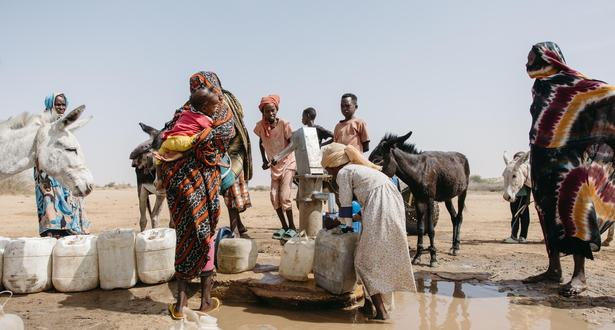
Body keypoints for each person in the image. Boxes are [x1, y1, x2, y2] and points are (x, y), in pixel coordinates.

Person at [523, 42, 615, 297]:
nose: (527, 64)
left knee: (575, 217)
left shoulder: (574, 84)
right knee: (547, 215)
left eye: (531, 59)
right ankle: (554, 270)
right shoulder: (539, 87)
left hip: (569, 165)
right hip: (541, 161)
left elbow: (608, 93)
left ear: (549, 59)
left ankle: (580, 276)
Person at [161, 71, 235, 319]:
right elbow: (225, 136)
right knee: (206, 235)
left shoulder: (181, 113)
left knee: (185, 237)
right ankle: (204, 301)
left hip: (180, 185)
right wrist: (201, 140)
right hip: (204, 182)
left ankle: (180, 307)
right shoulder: (222, 111)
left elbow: (166, 136)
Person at [321, 143, 415, 320]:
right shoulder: (360, 169)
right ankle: (371, 305)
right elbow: (366, 207)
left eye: (328, 170)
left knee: (364, 261)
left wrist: (340, 223)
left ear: (333, 165)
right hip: (392, 204)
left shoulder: (344, 172)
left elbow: (346, 206)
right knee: (380, 258)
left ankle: (382, 313)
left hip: (380, 207)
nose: (329, 174)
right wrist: (348, 220)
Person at [35, 93, 90, 238]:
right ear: (50, 105)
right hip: (47, 170)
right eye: (57, 104)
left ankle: (71, 229)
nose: (61, 107)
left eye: (63, 104)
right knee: (50, 200)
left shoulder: (65, 124)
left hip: (64, 169)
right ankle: (53, 231)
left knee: (71, 198)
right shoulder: (42, 124)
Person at [254, 95, 297, 240]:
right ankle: (284, 227)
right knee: (273, 197)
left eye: (272, 110)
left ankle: (292, 228)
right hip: (274, 165)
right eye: (267, 111)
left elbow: (293, 144)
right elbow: (261, 143)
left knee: (285, 196)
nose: (270, 113)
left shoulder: (284, 124)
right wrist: (264, 160)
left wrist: (278, 156)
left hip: (288, 162)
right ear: (263, 113)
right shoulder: (261, 127)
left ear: (276, 110)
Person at [221, 88, 253, 238]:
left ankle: (234, 231)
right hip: (226, 156)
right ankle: (240, 227)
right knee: (230, 195)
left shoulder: (228, 117)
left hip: (234, 156)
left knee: (230, 191)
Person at [503, 152, 531, 244]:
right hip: (515, 197)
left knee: (519, 217)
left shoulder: (522, 171)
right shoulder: (514, 170)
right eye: (516, 157)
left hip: (521, 197)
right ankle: (520, 237)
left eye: (518, 157)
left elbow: (528, 186)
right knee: (517, 217)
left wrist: (527, 199)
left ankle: (517, 237)